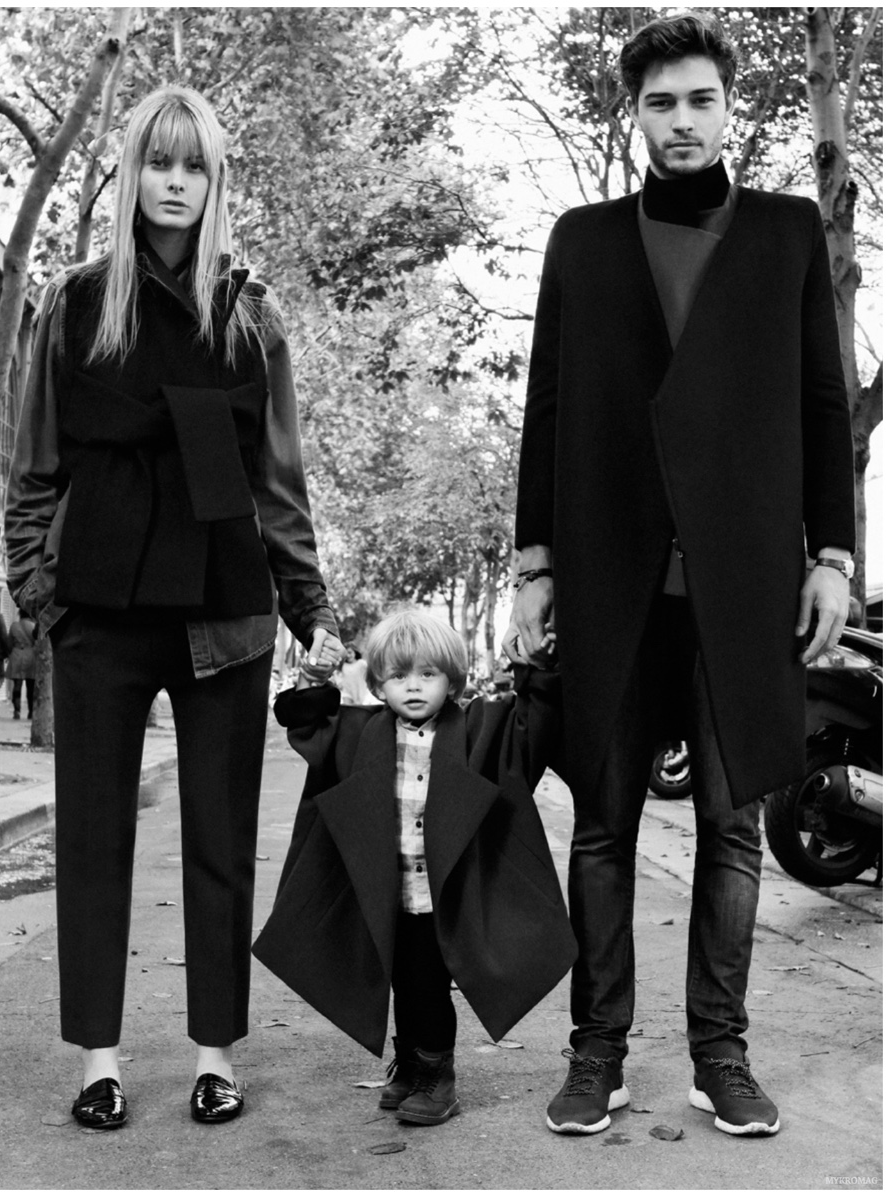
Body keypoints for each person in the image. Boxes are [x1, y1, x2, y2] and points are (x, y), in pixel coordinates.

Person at [509, 12, 854, 1139]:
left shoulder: (788, 233)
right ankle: (596, 1053)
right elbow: (546, 404)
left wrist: (833, 556)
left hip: (745, 583)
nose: (683, 120)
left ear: (728, 107)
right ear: (637, 115)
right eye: (661, 102)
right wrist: (533, 559)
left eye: (702, 99)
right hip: (610, 577)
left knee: (733, 828)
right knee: (602, 826)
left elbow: (823, 404)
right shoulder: (582, 240)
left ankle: (721, 1054)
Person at [5, 85, 343, 1130]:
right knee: (92, 840)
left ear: (216, 180)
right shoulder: (73, 305)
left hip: (225, 616)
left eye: (195, 164)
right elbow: (33, 465)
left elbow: (278, 477)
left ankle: (214, 1055)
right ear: (132, 174)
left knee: (219, 841)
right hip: (100, 612)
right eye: (159, 161)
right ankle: (99, 1061)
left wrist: (308, 603)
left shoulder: (250, 316)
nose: (176, 182)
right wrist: (38, 594)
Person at [253, 608, 577, 1126]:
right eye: (399, 675)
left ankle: (437, 1075)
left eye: (428, 673)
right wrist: (314, 674)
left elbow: (532, 723)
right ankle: (409, 1064)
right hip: (389, 892)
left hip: (445, 893)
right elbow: (304, 720)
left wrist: (534, 665)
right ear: (378, 683)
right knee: (404, 982)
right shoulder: (359, 731)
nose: (413, 686)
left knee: (428, 985)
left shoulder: (480, 728)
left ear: (453, 679)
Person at [5, 608, 36, 719]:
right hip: (31, 657)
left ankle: (17, 710)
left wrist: (9, 654)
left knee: (17, 685)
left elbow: (9, 644)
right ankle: (31, 712)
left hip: (17, 656)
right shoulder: (33, 626)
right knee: (31, 686)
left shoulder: (14, 626)